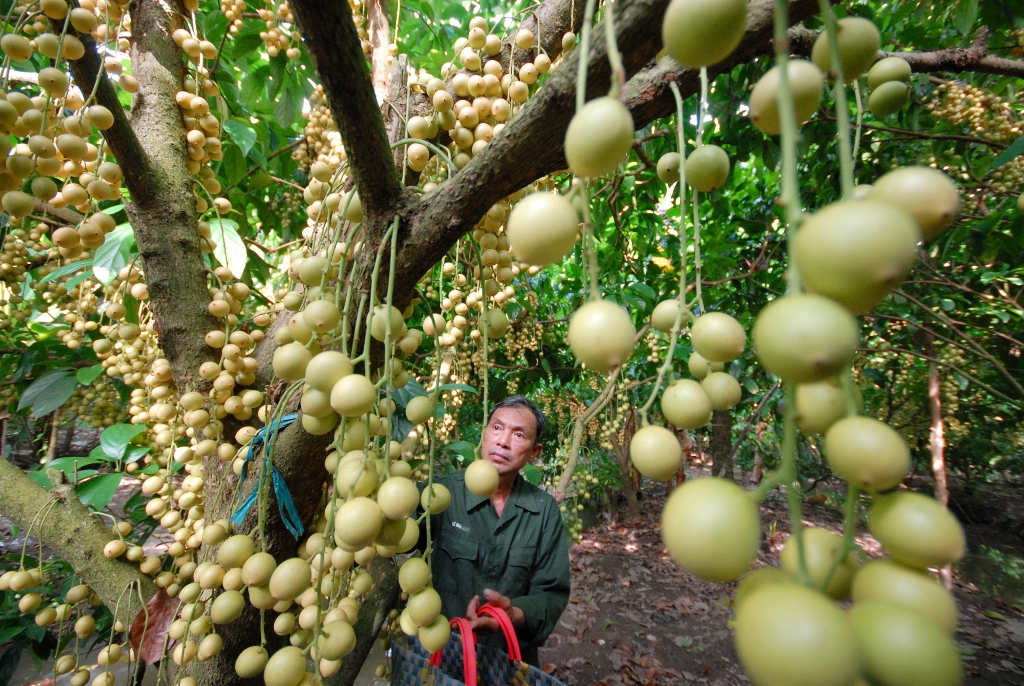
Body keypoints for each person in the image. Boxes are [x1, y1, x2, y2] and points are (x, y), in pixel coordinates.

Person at [418, 395, 570, 667]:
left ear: (534, 452)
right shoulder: (441, 493)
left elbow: (551, 594)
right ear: (484, 434)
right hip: (442, 655)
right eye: (497, 428)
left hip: (507, 661)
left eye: (519, 434)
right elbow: (395, 533)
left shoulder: (543, 510)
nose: (503, 441)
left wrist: (513, 615)